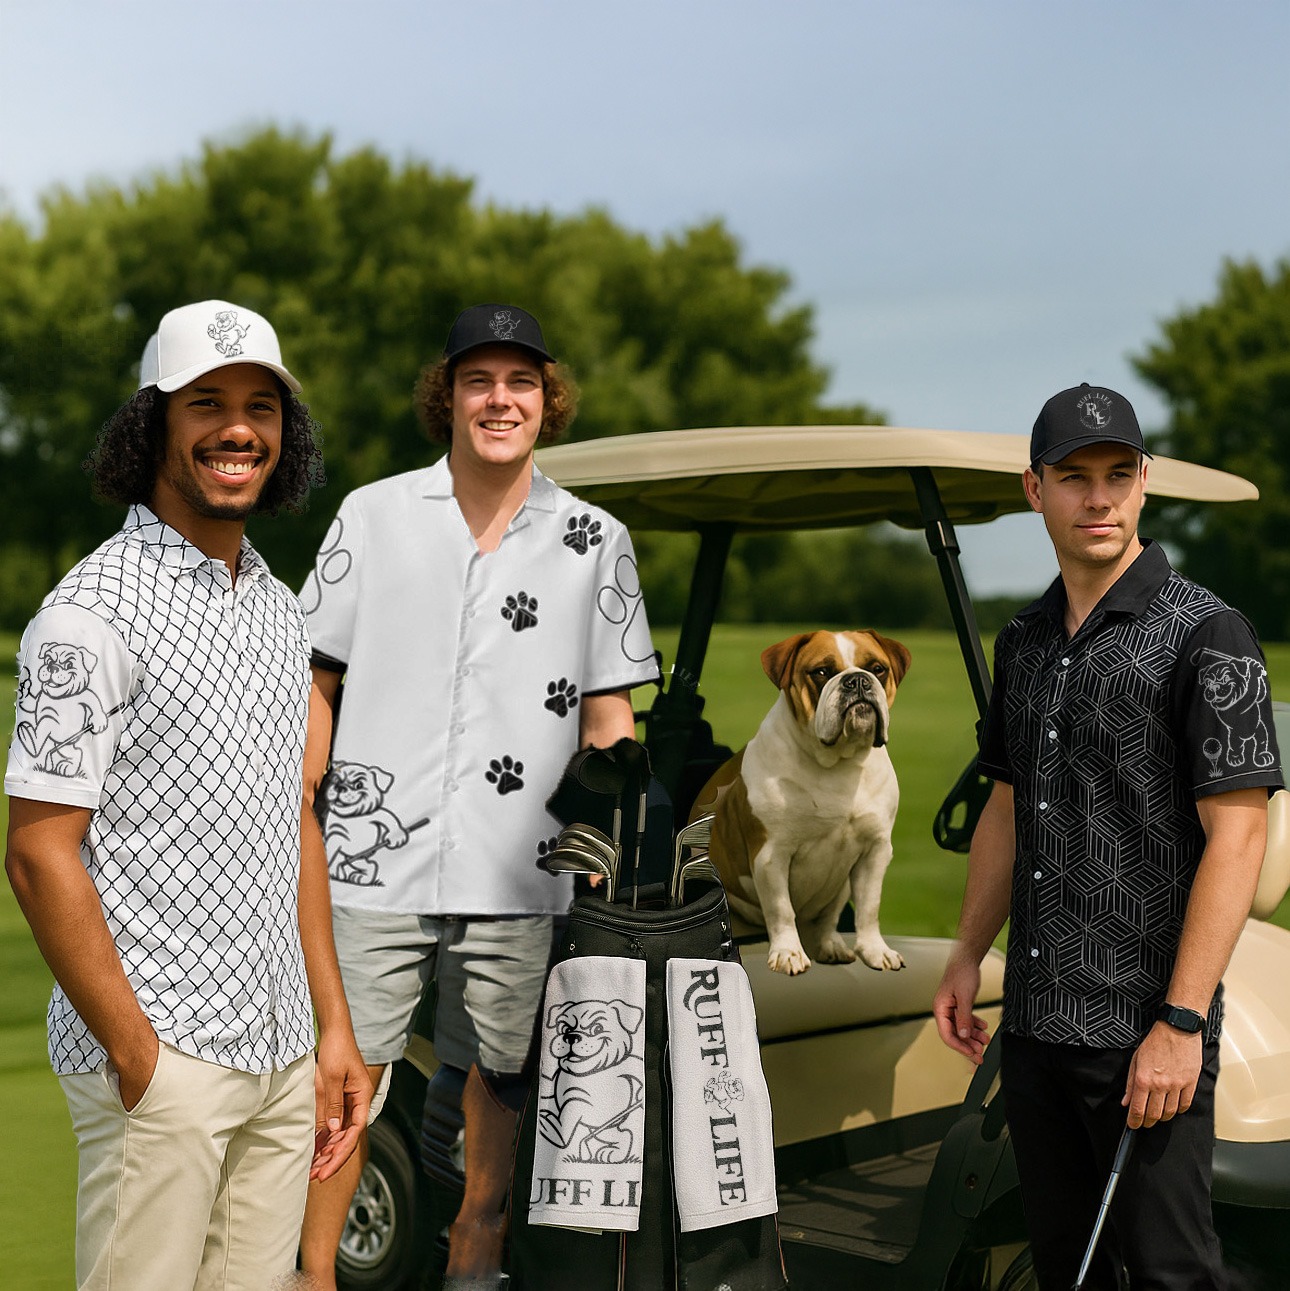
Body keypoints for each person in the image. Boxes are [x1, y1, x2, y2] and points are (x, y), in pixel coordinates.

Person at [4, 300, 372, 1291]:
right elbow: (39, 852)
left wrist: (330, 1028)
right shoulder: (89, 615)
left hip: (280, 1053)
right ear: (153, 425)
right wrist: (140, 1058)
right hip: (159, 1063)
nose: (239, 427)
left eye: (262, 405)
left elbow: (291, 817)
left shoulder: (276, 606)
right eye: (206, 401)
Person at [297, 303, 659, 1288]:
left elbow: (608, 711)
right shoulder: (372, 518)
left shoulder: (597, 538)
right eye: (479, 381)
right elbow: (315, 681)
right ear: (446, 396)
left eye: (521, 382)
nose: (501, 399)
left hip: (523, 865)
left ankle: (477, 1248)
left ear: (548, 399)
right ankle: (316, 1268)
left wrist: (615, 812)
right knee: (348, 1077)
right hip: (373, 861)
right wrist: (303, 803)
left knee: (503, 1073)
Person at [932, 383, 1282, 1289]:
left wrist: (1180, 1021)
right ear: (1034, 489)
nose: (1099, 497)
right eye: (1075, 477)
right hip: (1038, 1023)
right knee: (1066, 1271)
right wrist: (969, 952)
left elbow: (1238, 837)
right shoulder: (1025, 639)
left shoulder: (1212, 634)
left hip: (1145, 1029)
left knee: (1170, 1272)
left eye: (1118, 475)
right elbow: (1009, 803)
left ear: (1144, 483)